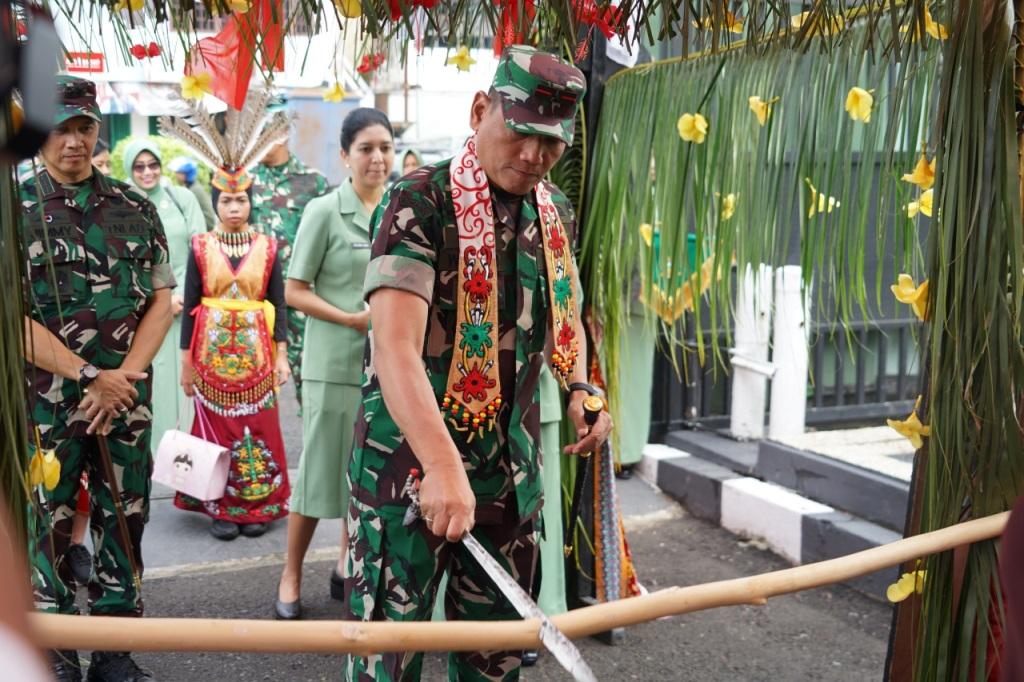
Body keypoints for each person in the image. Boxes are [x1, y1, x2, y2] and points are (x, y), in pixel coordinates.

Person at [343, 46, 612, 681]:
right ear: (480, 110)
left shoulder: (553, 210)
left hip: (508, 478)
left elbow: (567, 311)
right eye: (520, 132)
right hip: (409, 472)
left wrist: (580, 386)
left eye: (551, 141)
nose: (534, 155)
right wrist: (442, 466)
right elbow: (394, 348)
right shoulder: (419, 201)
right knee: (388, 656)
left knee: (494, 659)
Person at [20, 75, 173, 682]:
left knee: (125, 518)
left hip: (126, 399)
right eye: (60, 128)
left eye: (83, 127)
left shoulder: (136, 207)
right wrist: (89, 375)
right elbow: (10, 318)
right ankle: (56, 650)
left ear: (96, 129)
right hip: (47, 402)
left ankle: (115, 649)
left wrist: (123, 378)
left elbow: (161, 301)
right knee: (48, 522)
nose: (73, 141)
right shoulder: (14, 211)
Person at [273, 108, 394, 620]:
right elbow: (294, 291)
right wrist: (349, 318)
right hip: (333, 363)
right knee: (319, 474)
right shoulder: (324, 211)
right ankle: (291, 573)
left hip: (387, 366)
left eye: (385, 147)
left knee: (367, 476)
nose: (377, 158)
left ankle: (348, 564)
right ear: (345, 155)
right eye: (366, 148)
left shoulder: (398, 209)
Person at [176, 164, 292, 540]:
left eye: (241, 199)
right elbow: (191, 305)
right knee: (215, 431)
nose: (234, 208)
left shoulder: (268, 248)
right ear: (215, 204)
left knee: (259, 426)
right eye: (226, 200)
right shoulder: (200, 246)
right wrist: (185, 362)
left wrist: (282, 355)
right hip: (209, 357)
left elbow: (280, 303)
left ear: (251, 202)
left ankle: (257, 506)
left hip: (258, 356)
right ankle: (220, 508)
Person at [124, 139, 206, 452]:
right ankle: (157, 457)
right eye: (139, 166)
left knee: (188, 384)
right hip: (148, 311)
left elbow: (200, 248)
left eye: (153, 164)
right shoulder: (124, 203)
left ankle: (190, 458)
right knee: (155, 383)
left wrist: (186, 296)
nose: (147, 172)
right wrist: (157, 301)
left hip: (187, 305)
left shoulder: (181, 197)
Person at [250, 131, 330, 407]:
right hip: (257, 303)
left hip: (301, 303)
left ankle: (312, 433)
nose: (256, 143)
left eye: (263, 135)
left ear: (283, 135)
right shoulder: (245, 182)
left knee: (311, 389)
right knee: (252, 390)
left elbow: (329, 240)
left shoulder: (314, 182)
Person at [168, 156, 216, 231]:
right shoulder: (192, 187)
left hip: (204, 226)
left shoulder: (193, 190)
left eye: (178, 173)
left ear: (186, 174)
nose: (176, 175)